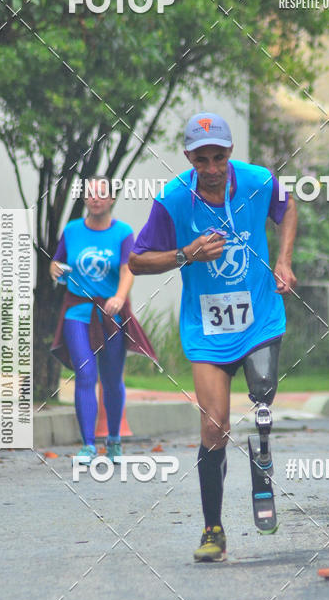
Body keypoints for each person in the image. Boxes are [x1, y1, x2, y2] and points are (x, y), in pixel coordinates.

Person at [129, 112, 297, 561]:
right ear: (188, 158)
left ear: (230, 154)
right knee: (214, 425)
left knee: (262, 400)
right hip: (207, 329)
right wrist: (186, 254)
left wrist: (283, 260)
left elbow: (287, 206)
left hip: (259, 318)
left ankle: (261, 458)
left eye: (218, 157)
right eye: (201, 159)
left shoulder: (259, 181)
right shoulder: (172, 200)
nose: (211, 167)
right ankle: (212, 530)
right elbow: (138, 262)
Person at [50, 176, 155, 464]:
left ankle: (114, 440)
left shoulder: (123, 233)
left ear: (111, 199)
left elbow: (127, 270)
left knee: (111, 379)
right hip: (78, 312)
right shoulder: (71, 231)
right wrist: (55, 270)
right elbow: (56, 262)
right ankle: (87, 445)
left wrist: (120, 297)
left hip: (110, 314)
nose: (95, 198)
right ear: (85, 199)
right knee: (85, 375)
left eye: (101, 193)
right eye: (90, 193)